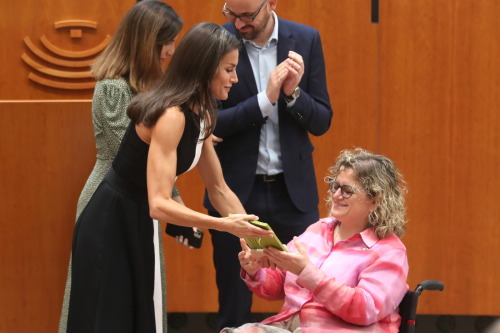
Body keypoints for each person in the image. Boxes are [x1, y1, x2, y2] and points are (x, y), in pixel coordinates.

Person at [66, 22, 274, 333]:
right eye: (229, 69)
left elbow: (218, 188)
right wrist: (223, 225)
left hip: (138, 217)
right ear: (205, 68)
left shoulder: (203, 110)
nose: (235, 78)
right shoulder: (171, 116)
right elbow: (159, 204)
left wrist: (263, 239)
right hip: (111, 221)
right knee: (109, 320)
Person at [203, 0, 333, 329]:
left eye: (247, 15)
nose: (239, 23)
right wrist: (266, 98)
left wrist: (292, 95)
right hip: (235, 194)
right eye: (231, 14)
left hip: (294, 195)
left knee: (306, 297)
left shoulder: (305, 39)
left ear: (271, 3)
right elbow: (209, 123)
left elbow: (321, 120)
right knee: (233, 299)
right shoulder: (216, 40)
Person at [59, 2, 184, 332]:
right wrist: (174, 199)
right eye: (167, 42)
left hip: (143, 200)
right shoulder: (112, 87)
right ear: (147, 42)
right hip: (110, 200)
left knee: (142, 296)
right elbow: (132, 158)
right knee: (103, 300)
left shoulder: (151, 87)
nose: (171, 50)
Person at [222, 148, 409, 333]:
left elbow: (365, 310)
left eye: (347, 191)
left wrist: (306, 272)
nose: (336, 195)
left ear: (375, 199)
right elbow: (278, 286)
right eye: (335, 186)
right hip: (290, 326)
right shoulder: (319, 229)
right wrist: (257, 271)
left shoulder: (390, 252)